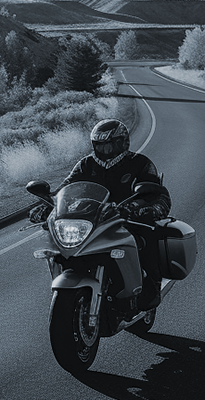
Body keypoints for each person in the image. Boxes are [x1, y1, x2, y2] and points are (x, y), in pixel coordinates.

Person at [29, 118, 171, 309]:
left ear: (122, 142)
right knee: (56, 242)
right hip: (91, 221)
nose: (105, 150)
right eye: (100, 145)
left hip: (125, 219)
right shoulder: (85, 165)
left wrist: (147, 208)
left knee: (146, 237)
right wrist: (49, 205)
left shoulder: (140, 163)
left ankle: (152, 285)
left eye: (110, 145)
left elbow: (157, 193)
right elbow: (66, 188)